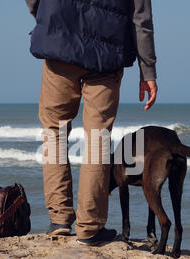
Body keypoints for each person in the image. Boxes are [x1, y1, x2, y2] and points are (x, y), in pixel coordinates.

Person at [25, 0, 157, 245]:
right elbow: (142, 19)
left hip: (60, 42)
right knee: (97, 137)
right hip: (107, 54)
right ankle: (89, 227)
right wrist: (147, 71)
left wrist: (46, 19)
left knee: (54, 131)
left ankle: (60, 220)